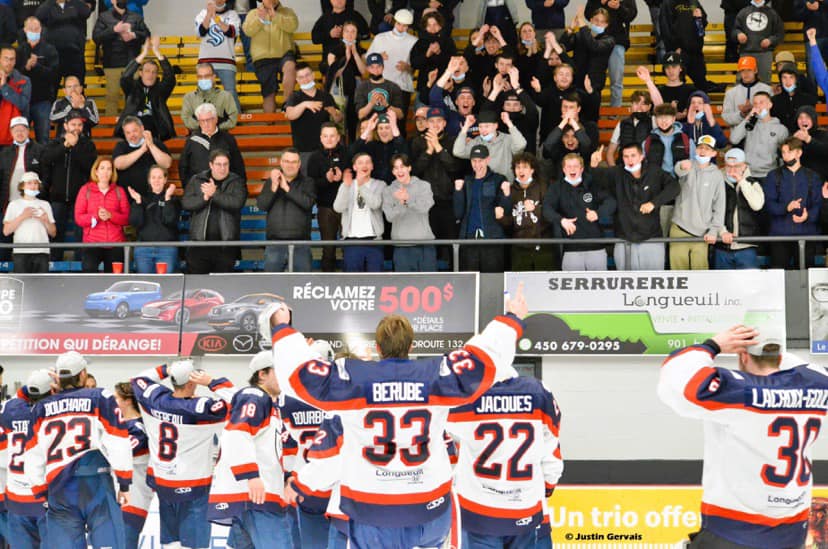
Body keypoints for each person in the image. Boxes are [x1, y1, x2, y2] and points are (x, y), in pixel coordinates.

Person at [264, 280, 529, 549]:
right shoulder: (437, 374)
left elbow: (298, 374)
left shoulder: (353, 378)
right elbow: (486, 357)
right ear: (411, 346)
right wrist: (512, 319)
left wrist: (282, 327)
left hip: (372, 509)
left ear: (378, 347)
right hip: (429, 507)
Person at [658, 325, 828, 549]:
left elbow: (677, 378)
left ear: (743, 355)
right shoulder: (818, 383)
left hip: (734, 532)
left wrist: (713, 345)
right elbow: (802, 368)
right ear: (780, 357)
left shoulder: (737, 391)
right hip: (792, 535)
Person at [446, 362, 563, 549]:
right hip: (526, 510)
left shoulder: (463, 399)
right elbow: (552, 456)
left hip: (479, 515)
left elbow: (441, 442)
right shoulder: (538, 392)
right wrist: (546, 489)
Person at [25, 351, 133, 549]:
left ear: (59, 377)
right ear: (83, 374)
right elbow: (118, 440)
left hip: (59, 489)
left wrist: (40, 490)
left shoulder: (40, 408)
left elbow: (33, 454)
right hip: (96, 482)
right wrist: (124, 483)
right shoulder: (100, 397)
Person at [131, 359, 236, 549]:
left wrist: (166, 369)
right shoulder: (200, 408)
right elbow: (237, 400)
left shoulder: (153, 398)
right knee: (195, 544)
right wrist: (212, 382)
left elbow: (139, 379)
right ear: (191, 383)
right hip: (193, 485)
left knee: (171, 542)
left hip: (162, 481)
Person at [208, 351, 291, 548]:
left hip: (253, 496)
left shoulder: (269, 404)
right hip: (257, 496)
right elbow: (237, 433)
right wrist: (251, 476)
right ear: (262, 374)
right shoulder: (255, 396)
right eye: (279, 371)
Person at [591, 142, 679, 270]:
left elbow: (674, 187)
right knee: (625, 280)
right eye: (626, 156)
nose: (630, 160)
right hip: (624, 239)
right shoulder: (616, 173)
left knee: (654, 280)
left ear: (641, 156)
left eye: (633, 155)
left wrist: (654, 203)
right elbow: (594, 179)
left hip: (651, 239)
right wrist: (593, 165)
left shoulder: (654, 172)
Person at [0, 369, 52, 548]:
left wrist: (33, 384)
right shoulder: (52, 414)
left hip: (16, 498)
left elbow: (19, 397)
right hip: (44, 496)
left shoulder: (10, 409)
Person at [41, 110, 97, 261]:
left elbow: (90, 166)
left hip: (80, 198)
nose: (77, 128)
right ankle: (54, 265)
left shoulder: (88, 145)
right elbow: (46, 160)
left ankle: (80, 265)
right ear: (65, 126)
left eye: (79, 125)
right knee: (55, 234)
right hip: (57, 197)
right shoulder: (54, 143)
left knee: (80, 234)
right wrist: (65, 146)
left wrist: (75, 146)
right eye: (73, 124)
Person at [544, 152, 615, 271]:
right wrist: (561, 220)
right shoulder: (556, 187)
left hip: (596, 247)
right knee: (571, 282)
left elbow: (611, 201)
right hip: (571, 249)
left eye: (575, 166)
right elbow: (546, 208)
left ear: (581, 169)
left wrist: (598, 213)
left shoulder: (592, 184)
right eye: (569, 166)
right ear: (563, 169)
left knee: (598, 282)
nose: (572, 169)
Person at [181, 148, 247, 274]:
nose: (222, 168)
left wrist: (214, 194)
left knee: (223, 283)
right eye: (218, 164)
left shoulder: (236, 182)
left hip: (225, 245)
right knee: (197, 283)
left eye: (225, 164)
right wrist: (205, 198)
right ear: (211, 165)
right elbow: (186, 203)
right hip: (199, 244)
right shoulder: (197, 180)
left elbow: (236, 203)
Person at [763, 137, 823, 269]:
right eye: (783, 153)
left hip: (806, 235)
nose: (786, 156)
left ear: (799, 153)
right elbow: (769, 205)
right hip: (779, 236)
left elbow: (818, 204)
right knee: (778, 275)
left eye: (789, 152)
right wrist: (786, 207)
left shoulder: (813, 176)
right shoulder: (773, 176)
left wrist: (807, 216)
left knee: (805, 275)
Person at [669, 135, 726, 270]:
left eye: (707, 149)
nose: (702, 151)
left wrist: (713, 230)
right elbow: (678, 170)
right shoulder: (687, 164)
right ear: (695, 149)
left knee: (700, 275)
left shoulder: (717, 175)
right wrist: (682, 166)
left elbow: (719, 206)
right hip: (679, 228)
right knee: (678, 274)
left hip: (702, 233)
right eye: (700, 147)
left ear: (714, 153)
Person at [256, 148, 316, 272]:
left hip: (301, 244)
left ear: (299, 164)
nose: (290, 165)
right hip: (274, 244)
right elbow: (262, 205)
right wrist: (274, 186)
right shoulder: (271, 182)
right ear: (281, 163)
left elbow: (308, 203)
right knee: (272, 282)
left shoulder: (308, 182)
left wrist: (286, 188)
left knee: (303, 282)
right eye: (287, 161)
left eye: (294, 162)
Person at [453, 144, 511, 272]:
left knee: (492, 278)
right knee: (471, 279)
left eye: (480, 160)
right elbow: (458, 213)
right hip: (469, 239)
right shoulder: (467, 181)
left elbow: (506, 210)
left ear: (487, 160)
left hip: (492, 238)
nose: (477, 164)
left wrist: (507, 195)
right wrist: (458, 192)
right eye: (474, 161)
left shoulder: (498, 179)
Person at [112, 381, 152, 549]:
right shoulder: (118, 425)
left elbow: (121, 455)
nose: (112, 402)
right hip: (119, 495)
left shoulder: (138, 428)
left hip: (135, 496)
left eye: (115, 398)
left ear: (127, 401)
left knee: (125, 543)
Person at [92, 0, 150, 116]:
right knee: (112, 96)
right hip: (112, 63)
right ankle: (111, 124)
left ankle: (132, 123)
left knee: (133, 97)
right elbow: (96, 38)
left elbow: (147, 35)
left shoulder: (136, 16)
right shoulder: (104, 17)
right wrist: (113, 30)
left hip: (132, 63)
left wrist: (134, 35)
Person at [74, 156, 130, 273]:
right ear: (96, 171)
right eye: (102, 168)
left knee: (114, 279)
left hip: (115, 243)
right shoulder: (85, 190)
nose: (105, 172)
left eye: (109, 169)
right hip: (92, 243)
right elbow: (79, 218)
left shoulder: (119, 191)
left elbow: (127, 218)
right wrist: (96, 216)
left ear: (112, 172)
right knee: (89, 274)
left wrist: (111, 215)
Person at [382, 154, 436, 271]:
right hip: (401, 247)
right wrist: (401, 203)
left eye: (402, 167)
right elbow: (389, 217)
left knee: (428, 281)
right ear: (392, 171)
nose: (399, 171)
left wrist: (408, 199)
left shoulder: (424, 186)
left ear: (409, 168)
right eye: (396, 168)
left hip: (424, 245)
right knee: (404, 283)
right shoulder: (388, 191)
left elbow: (425, 207)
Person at [242, 0, 298, 112]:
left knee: (290, 66)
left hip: (284, 53)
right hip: (262, 57)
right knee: (268, 94)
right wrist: (259, 19)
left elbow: (293, 26)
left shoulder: (288, 12)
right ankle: (270, 122)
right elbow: (247, 31)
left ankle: (287, 104)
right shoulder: (253, 13)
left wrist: (276, 16)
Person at [116, 37, 176, 143]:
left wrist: (157, 52)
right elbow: (125, 77)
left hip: (155, 133)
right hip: (132, 132)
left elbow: (170, 78)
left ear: (157, 75)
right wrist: (144, 53)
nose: (150, 75)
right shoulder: (132, 88)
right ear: (141, 73)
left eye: (154, 72)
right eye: (147, 71)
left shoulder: (160, 90)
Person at [333, 151, 385, 272]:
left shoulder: (380, 185)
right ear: (355, 167)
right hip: (352, 241)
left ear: (372, 166)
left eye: (367, 162)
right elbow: (338, 208)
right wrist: (346, 186)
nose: (364, 165)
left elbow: (376, 204)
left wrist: (361, 185)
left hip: (374, 241)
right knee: (353, 280)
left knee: (375, 279)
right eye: (360, 163)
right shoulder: (347, 184)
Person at [285, 62, 343, 167]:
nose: (305, 79)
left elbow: (339, 119)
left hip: (325, 149)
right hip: (303, 151)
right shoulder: (294, 97)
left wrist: (334, 113)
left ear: (313, 75)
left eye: (307, 75)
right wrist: (304, 104)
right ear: (297, 80)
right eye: (301, 77)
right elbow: (290, 115)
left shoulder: (326, 96)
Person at [714, 147, 765, 269]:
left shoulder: (753, 183)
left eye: (736, 166)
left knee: (748, 281)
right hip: (722, 245)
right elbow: (712, 210)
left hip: (746, 246)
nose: (732, 170)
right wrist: (722, 232)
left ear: (744, 166)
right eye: (729, 166)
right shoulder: (718, 183)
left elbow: (757, 205)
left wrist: (742, 182)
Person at [307, 123, 348, 272]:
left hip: (347, 207)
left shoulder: (347, 153)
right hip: (326, 207)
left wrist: (343, 178)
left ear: (338, 137)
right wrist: (326, 180)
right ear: (321, 138)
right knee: (328, 249)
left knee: (348, 248)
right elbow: (310, 184)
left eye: (332, 136)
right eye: (325, 136)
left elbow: (355, 178)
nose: (329, 139)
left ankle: (351, 281)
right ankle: (327, 281)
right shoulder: (314, 157)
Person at [659, 0, 722, 94]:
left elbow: (702, 26)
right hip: (679, 51)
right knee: (678, 84)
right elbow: (665, 28)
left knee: (701, 84)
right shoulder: (668, 3)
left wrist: (699, 18)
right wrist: (674, 48)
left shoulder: (694, 2)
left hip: (696, 51)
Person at [127, 165, 181, 273]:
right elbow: (135, 223)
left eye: (160, 177)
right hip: (143, 249)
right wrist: (138, 202)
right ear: (149, 180)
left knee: (166, 281)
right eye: (153, 177)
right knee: (145, 282)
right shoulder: (141, 199)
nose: (156, 180)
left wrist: (167, 199)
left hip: (166, 249)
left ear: (165, 179)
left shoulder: (173, 200)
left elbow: (169, 220)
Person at [367, 9, 418, 122]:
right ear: (394, 22)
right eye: (399, 24)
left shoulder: (414, 41)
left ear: (408, 26)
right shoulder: (380, 38)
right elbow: (368, 60)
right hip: (380, 86)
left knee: (399, 123)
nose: (401, 28)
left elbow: (415, 67)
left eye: (405, 25)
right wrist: (378, 57)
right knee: (379, 122)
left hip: (402, 87)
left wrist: (407, 67)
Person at [178, 102, 246, 186]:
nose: (206, 124)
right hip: (199, 188)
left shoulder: (228, 139)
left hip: (224, 188)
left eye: (209, 120)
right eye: (202, 121)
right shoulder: (192, 140)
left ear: (216, 119)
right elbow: (183, 167)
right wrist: (191, 188)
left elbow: (238, 166)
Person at [509, 152, 556, 270]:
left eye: (525, 167)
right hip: (519, 247)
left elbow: (552, 214)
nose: (521, 170)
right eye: (518, 167)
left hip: (543, 245)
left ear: (532, 170)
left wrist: (536, 209)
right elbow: (509, 222)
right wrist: (500, 218)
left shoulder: (543, 187)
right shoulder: (510, 190)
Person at [16, 17, 59, 143]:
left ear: (41, 29)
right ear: (25, 30)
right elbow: (14, 76)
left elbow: (54, 74)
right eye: (31, 29)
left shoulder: (50, 50)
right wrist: (26, 67)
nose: (34, 31)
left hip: (43, 100)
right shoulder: (19, 51)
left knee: (43, 138)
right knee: (20, 138)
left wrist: (37, 66)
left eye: (36, 29)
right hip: (23, 101)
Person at [585, 0, 637, 107]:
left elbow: (631, 15)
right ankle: (593, 110)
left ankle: (615, 111)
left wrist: (619, 7)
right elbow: (588, 13)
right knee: (593, 79)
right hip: (597, 41)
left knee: (616, 81)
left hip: (617, 41)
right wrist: (601, 3)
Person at [323, 19, 367, 142]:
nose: (350, 34)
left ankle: (353, 143)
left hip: (356, 86)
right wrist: (346, 58)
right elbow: (334, 73)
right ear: (342, 33)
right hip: (339, 86)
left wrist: (355, 53)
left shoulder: (362, 52)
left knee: (354, 119)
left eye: (353, 31)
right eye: (347, 31)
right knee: (339, 121)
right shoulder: (333, 51)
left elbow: (363, 72)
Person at [2, 171, 55, 273]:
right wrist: (23, 216)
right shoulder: (14, 204)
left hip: (42, 251)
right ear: (22, 186)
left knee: (42, 282)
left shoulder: (45, 204)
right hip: (21, 251)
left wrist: (45, 220)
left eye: (35, 183)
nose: (33, 186)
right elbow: (6, 231)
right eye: (29, 183)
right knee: (22, 282)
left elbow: (53, 232)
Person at [195, 0, 242, 113]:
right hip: (205, 62)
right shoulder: (202, 14)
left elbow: (231, 32)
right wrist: (208, 15)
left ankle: (235, 118)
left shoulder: (232, 14)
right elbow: (201, 32)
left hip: (227, 61)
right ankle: (204, 118)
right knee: (204, 92)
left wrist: (216, 19)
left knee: (230, 92)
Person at [729, 91, 789, 179]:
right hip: (748, 173)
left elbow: (785, 154)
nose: (758, 106)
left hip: (770, 174)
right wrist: (748, 117)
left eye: (761, 102)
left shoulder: (780, 128)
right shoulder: (749, 125)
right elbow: (733, 139)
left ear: (770, 105)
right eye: (755, 103)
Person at [454, 110, 527, 180]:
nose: (483, 130)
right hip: (484, 185)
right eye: (480, 127)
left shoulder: (507, 139)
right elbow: (458, 152)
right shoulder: (476, 141)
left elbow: (521, 145)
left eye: (487, 126)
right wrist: (465, 128)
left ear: (496, 126)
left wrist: (509, 123)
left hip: (505, 184)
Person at [112, 115, 173, 198]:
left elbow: (167, 164)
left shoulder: (155, 142)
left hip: (153, 197)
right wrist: (142, 150)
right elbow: (118, 164)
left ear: (142, 128)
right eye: (128, 133)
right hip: (128, 197)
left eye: (134, 131)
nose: (132, 135)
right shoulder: (121, 146)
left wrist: (151, 145)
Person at [559, 7, 615, 96]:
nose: (598, 24)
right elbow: (563, 46)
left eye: (602, 22)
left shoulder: (609, 40)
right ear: (591, 20)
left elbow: (594, 46)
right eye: (596, 20)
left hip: (594, 85)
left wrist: (582, 24)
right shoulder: (580, 35)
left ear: (606, 25)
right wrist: (570, 29)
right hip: (576, 82)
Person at [35, 0, 92, 85]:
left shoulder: (75, 4)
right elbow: (39, 15)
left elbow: (86, 12)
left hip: (75, 52)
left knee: (76, 84)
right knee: (51, 86)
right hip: (54, 54)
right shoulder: (48, 5)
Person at [0, 116, 44, 215]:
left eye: (23, 130)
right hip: (9, 202)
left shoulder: (40, 150)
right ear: (11, 132)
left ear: (28, 131)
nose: (19, 133)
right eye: (16, 130)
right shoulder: (4, 153)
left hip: (33, 202)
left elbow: (45, 176)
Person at [410, 11, 456, 105]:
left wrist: (439, 53)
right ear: (425, 27)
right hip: (424, 87)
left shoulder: (448, 41)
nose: (432, 28)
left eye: (435, 24)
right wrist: (427, 54)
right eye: (429, 25)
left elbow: (453, 62)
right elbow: (414, 63)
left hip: (444, 87)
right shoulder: (420, 43)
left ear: (440, 25)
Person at [311, 0, 369, 74]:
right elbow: (315, 39)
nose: (339, 0)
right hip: (331, 57)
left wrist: (349, 33)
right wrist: (329, 34)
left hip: (353, 58)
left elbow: (366, 34)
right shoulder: (324, 18)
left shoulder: (355, 15)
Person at [349, 111, 407, 184]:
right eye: (380, 128)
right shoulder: (371, 145)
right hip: (374, 187)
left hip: (396, 187)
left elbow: (405, 153)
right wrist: (368, 130)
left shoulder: (399, 144)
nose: (383, 131)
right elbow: (352, 152)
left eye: (387, 128)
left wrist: (394, 127)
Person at [733, 0, 784, 82]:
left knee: (764, 82)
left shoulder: (772, 13)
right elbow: (734, 30)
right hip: (746, 52)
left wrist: (770, 40)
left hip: (765, 53)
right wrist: (738, 34)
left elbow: (779, 34)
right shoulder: (743, 12)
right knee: (743, 81)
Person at [181, 63, 239, 133]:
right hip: (197, 136)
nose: (203, 79)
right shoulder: (189, 97)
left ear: (214, 77)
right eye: (200, 77)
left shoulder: (226, 96)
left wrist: (216, 128)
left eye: (207, 76)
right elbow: (186, 118)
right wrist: (203, 126)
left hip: (220, 135)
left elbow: (233, 119)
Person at [721, 56, 773, 130]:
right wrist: (741, 114)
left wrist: (755, 111)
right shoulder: (731, 93)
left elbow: (772, 113)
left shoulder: (767, 90)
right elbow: (726, 118)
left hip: (761, 133)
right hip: (738, 135)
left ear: (755, 70)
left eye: (749, 70)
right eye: (743, 70)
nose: (746, 73)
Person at [354, 53, 405, 123]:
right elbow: (360, 115)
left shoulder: (393, 87)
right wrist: (371, 103)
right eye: (372, 67)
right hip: (368, 125)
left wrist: (386, 104)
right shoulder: (362, 87)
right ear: (368, 69)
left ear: (383, 67)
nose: (375, 70)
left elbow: (400, 115)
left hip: (387, 125)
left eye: (378, 66)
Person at [606, 90, 652, 165]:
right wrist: (614, 170)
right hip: (623, 167)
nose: (639, 107)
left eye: (643, 104)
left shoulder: (654, 122)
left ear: (649, 107)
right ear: (631, 105)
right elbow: (610, 153)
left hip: (645, 168)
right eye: (636, 103)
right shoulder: (622, 124)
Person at [0, 47, 32, 147]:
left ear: (15, 61)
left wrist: (4, 87)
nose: (9, 62)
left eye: (12, 59)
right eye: (6, 58)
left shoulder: (24, 81)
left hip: (15, 135)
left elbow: (22, 104)